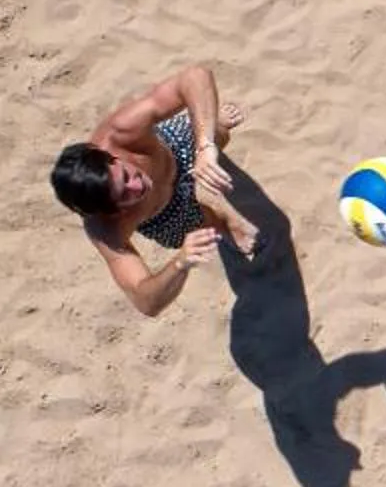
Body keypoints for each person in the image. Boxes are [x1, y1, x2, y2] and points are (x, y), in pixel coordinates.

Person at [48, 63, 257, 316]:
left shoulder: (121, 132)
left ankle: (212, 127)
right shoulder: (107, 230)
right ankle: (225, 223)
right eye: (123, 196)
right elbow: (146, 302)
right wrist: (181, 263)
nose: (137, 186)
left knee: (217, 134)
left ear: (111, 157)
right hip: (163, 215)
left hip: (172, 152)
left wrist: (205, 147)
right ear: (108, 212)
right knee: (203, 225)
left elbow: (195, 76)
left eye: (126, 176)